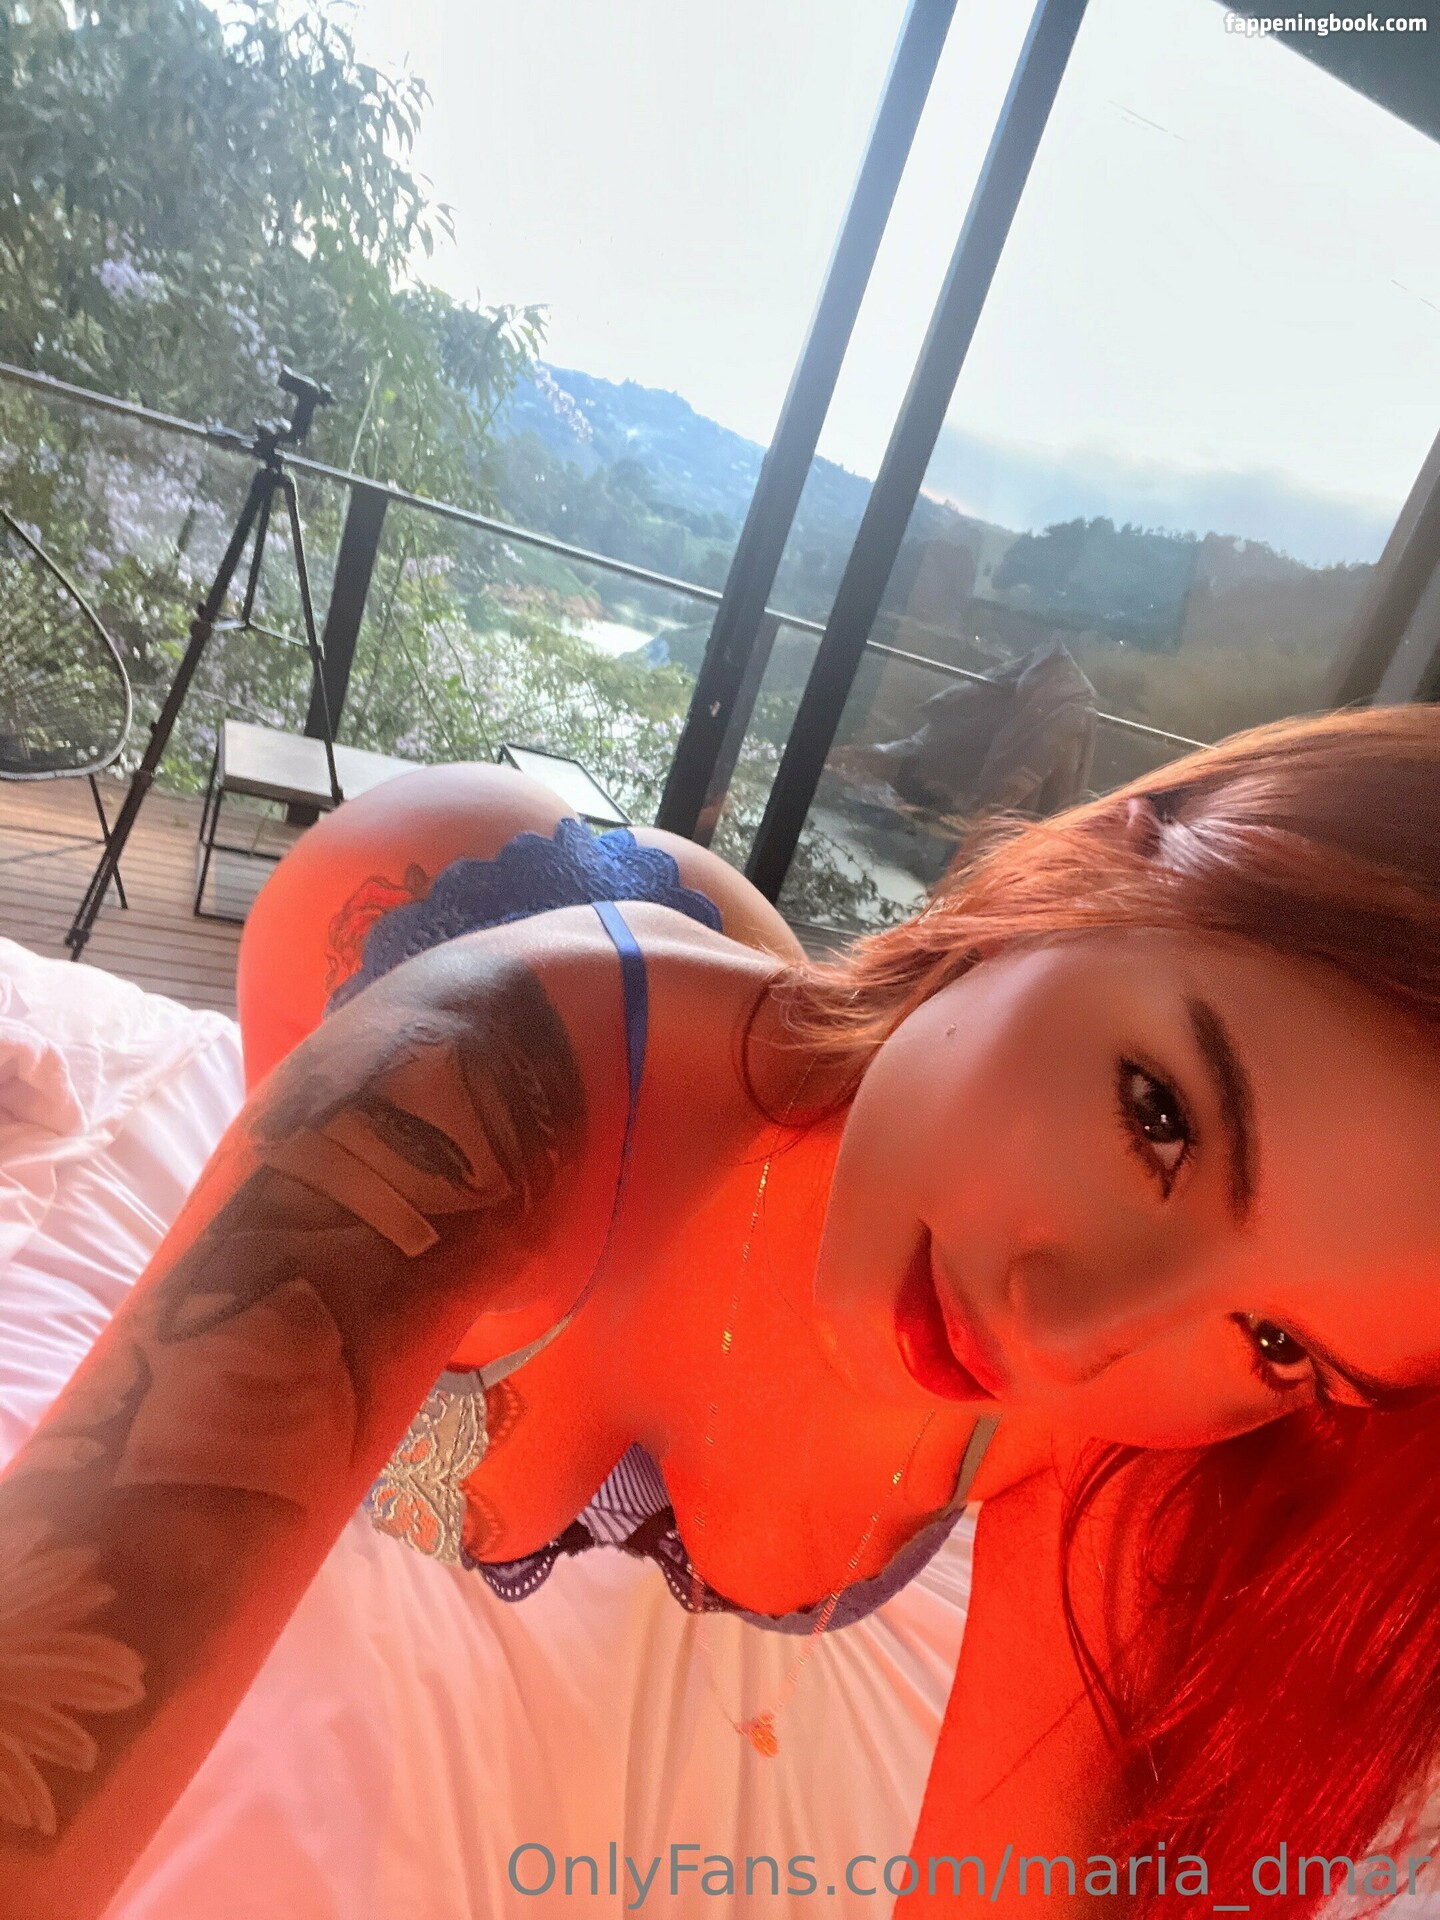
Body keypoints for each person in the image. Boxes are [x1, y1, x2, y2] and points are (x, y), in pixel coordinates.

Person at [2, 703, 1439, 1919]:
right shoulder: (464, 1086)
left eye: (1281, 1341)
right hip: (423, 883)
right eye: (1159, 1118)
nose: (1066, 1339)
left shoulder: (1159, 1435)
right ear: (1090, 870)